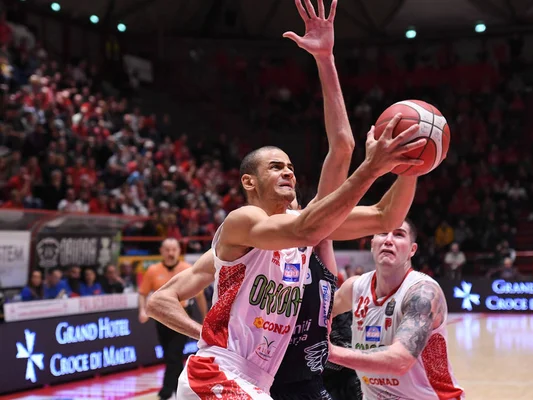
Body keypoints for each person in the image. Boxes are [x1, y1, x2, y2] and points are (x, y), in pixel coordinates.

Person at [147, 3, 425, 399]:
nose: (288, 172)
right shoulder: (243, 222)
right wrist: (208, 336)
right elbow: (307, 226)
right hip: (219, 372)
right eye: (276, 167)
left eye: (291, 166)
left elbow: (386, 213)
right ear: (249, 181)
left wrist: (410, 163)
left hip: (265, 379)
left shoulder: (303, 229)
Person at [331, 220, 464, 400]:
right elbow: (319, 313)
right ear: (372, 245)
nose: (388, 240)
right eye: (383, 233)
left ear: (412, 250)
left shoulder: (423, 292)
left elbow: (399, 361)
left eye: (399, 234)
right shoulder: (355, 287)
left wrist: (330, 352)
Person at [138, 238, 208, 400]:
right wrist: (142, 310)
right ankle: (178, 389)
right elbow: (143, 294)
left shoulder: (188, 269)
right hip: (161, 317)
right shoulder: (153, 270)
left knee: (174, 355)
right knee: (169, 355)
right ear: (161, 251)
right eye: (167, 249)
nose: (170, 253)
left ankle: (167, 392)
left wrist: (205, 318)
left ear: (179, 251)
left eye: (174, 249)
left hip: (181, 314)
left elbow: (200, 296)